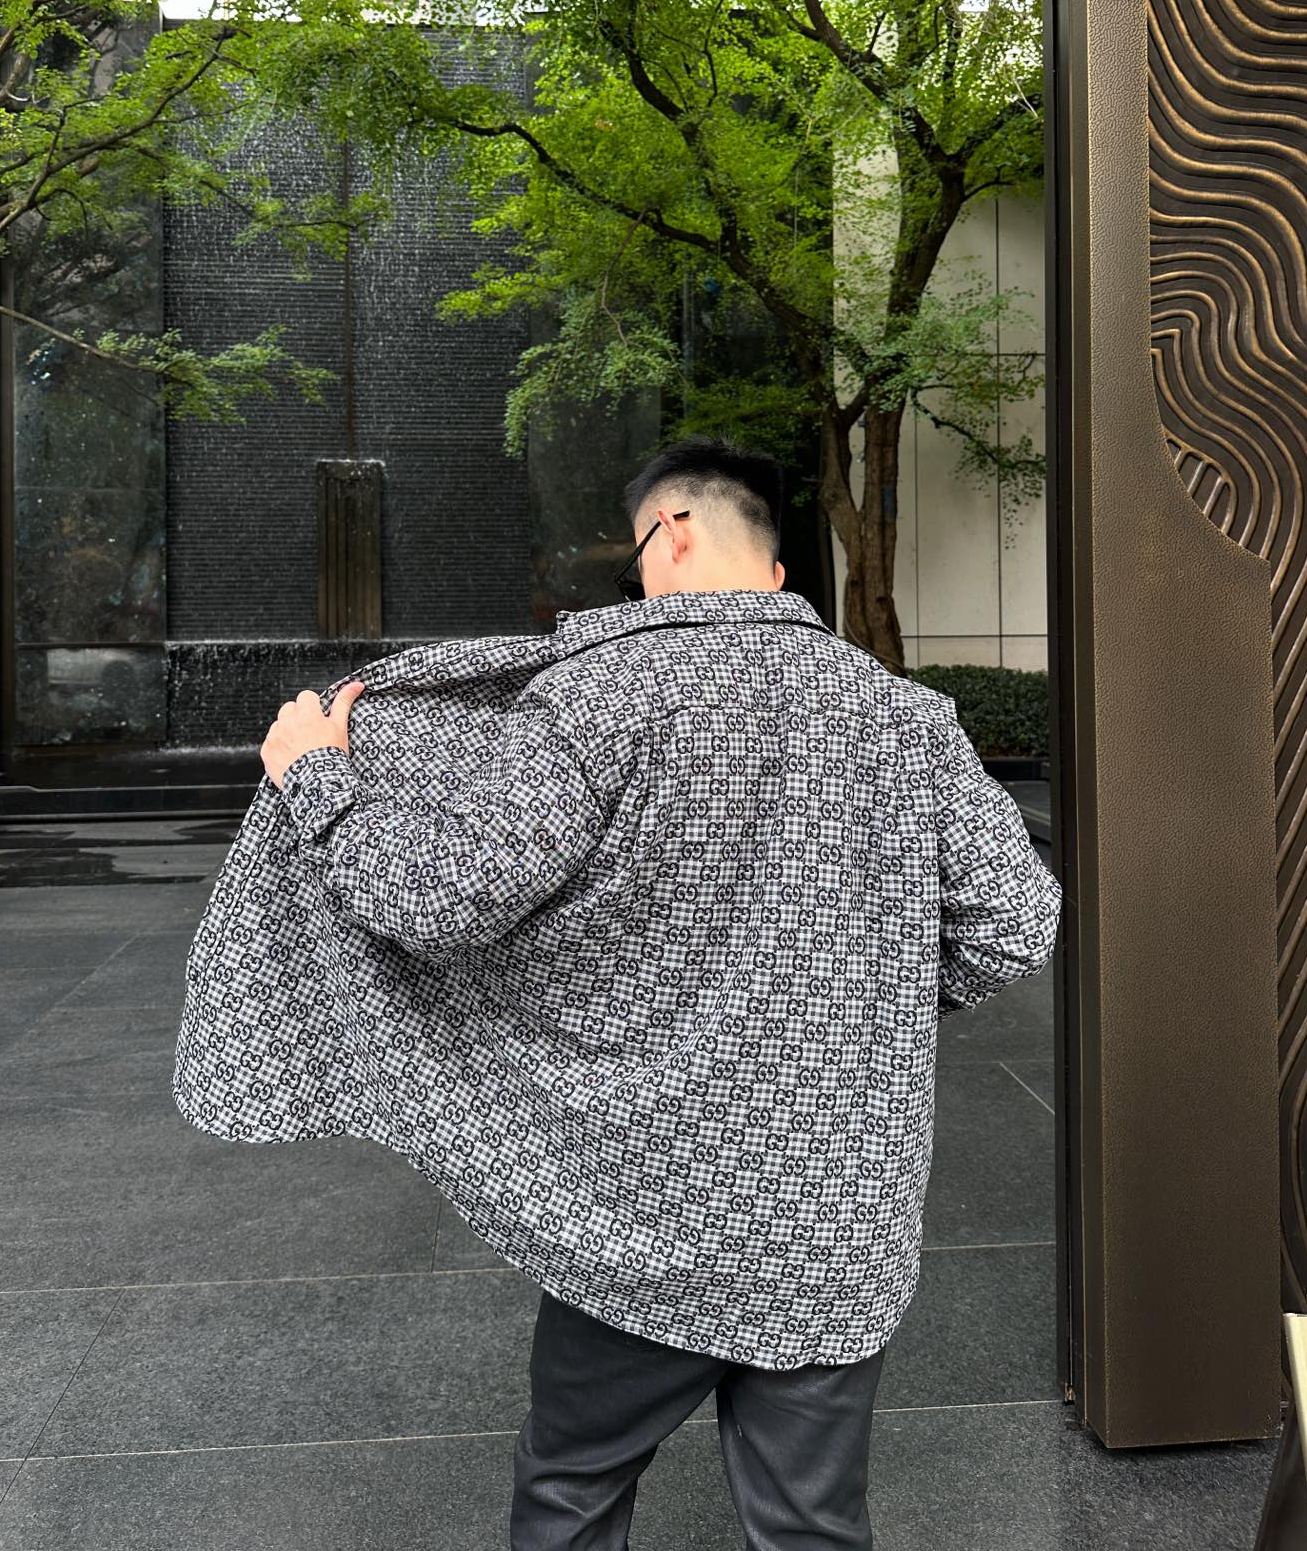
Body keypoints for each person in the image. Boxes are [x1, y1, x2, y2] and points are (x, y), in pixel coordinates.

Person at [256, 433, 1063, 1551]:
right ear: (774, 571)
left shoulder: (598, 698)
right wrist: (854, 1004)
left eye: (637, 556)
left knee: (573, 1490)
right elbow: (1017, 921)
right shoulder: (905, 716)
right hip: (836, 1207)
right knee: (813, 1526)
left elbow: (441, 897)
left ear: (672, 534)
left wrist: (317, 778)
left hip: (646, 1206)